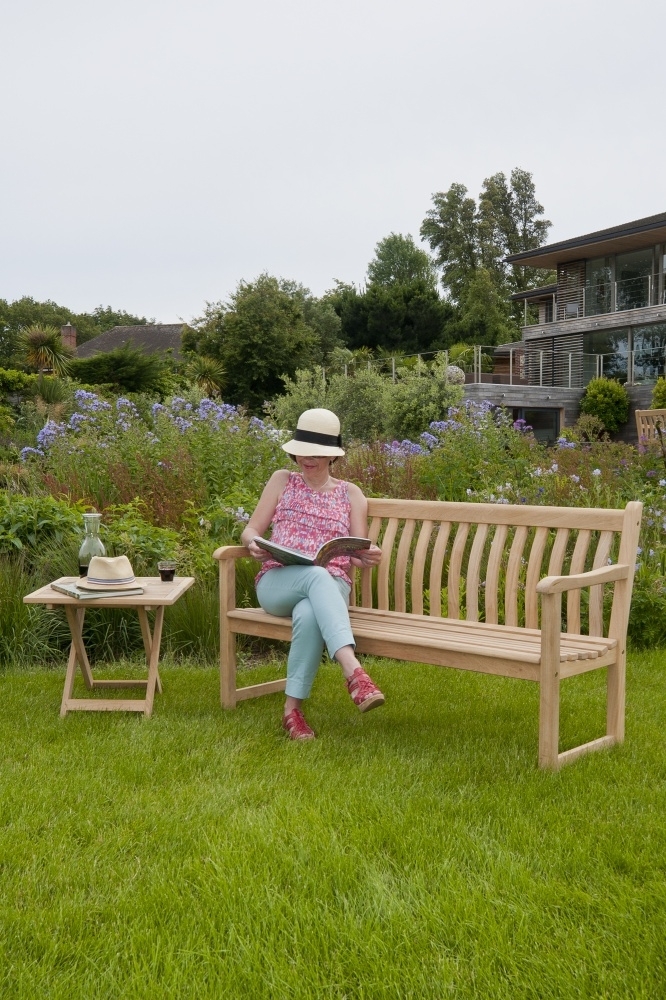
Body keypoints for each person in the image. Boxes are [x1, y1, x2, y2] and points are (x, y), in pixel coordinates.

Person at [241, 408, 384, 741]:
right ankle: (354, 672)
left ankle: (292, 712)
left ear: (331, 456)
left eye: (318, 452)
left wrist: (369, 555)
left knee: (310, 609)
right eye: (303, 450)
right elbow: (251, 529)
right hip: (278, 582)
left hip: (329, 589)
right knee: (316, 577)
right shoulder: (282, 480)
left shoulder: (352, 494)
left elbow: (356, 555)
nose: (308, 458)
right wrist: (253, 544)